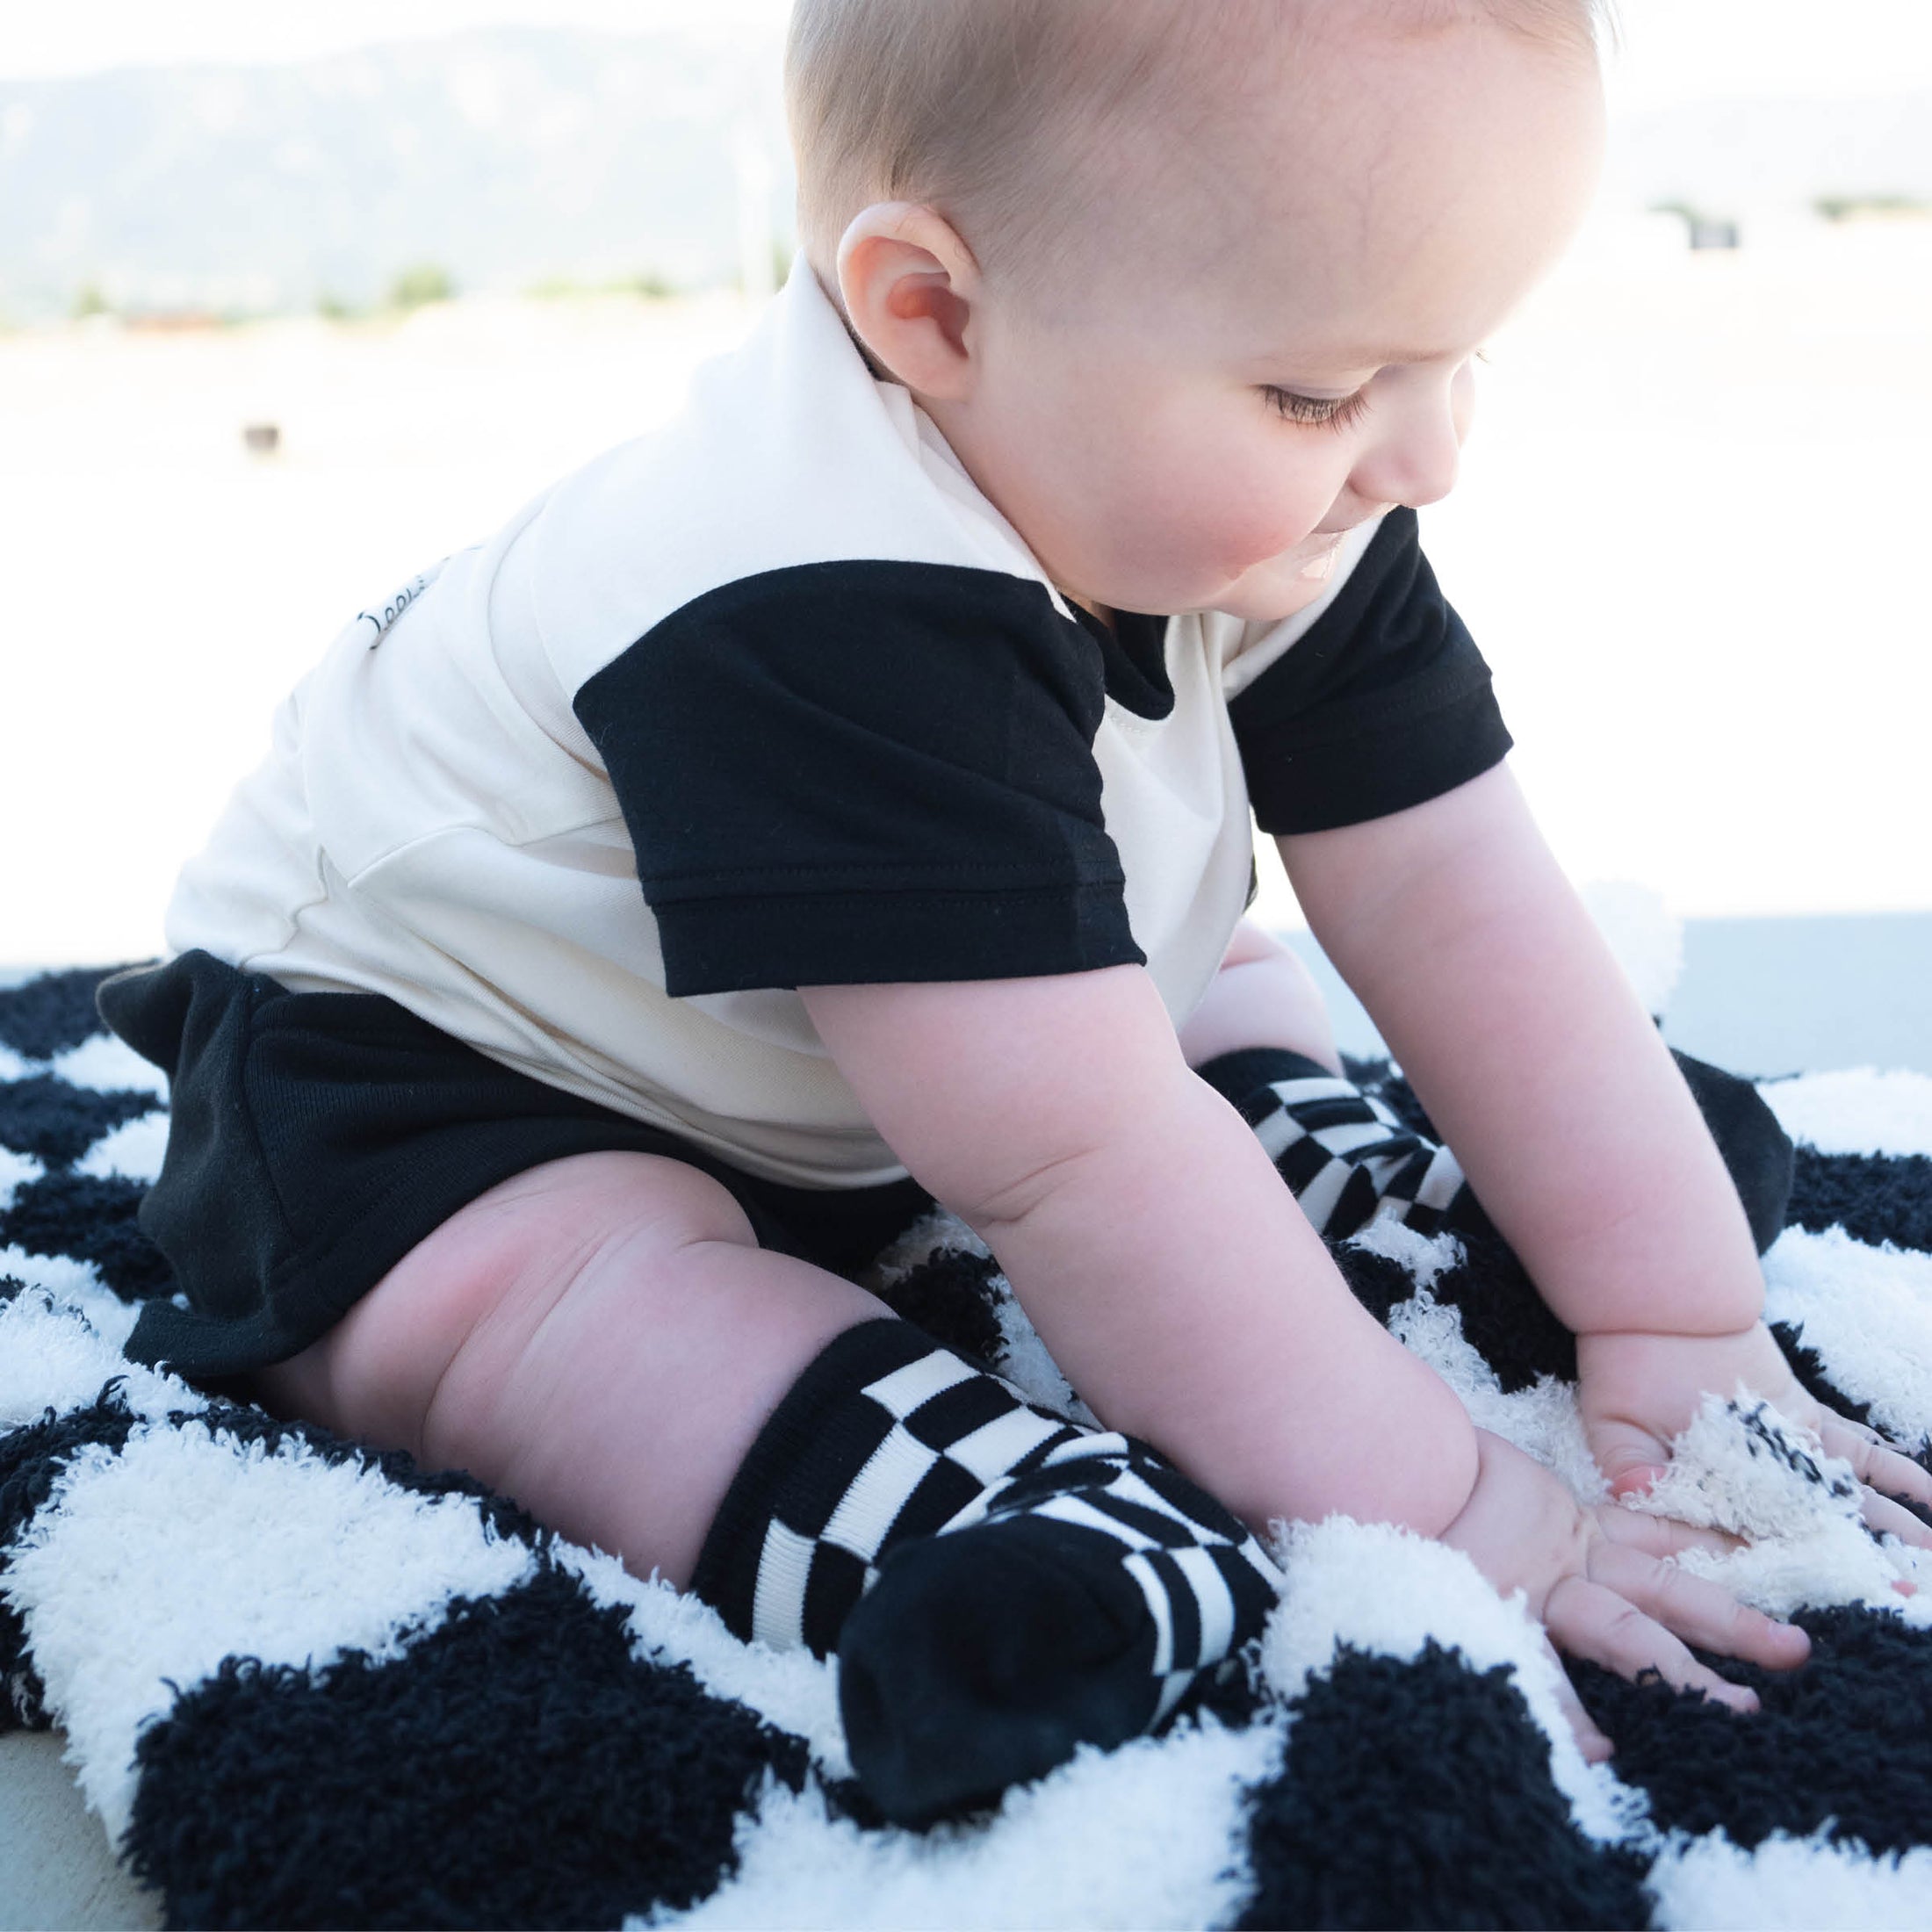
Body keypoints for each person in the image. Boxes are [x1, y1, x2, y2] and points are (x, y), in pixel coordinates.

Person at [97, 0, 1932, 1825]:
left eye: (1455, 362)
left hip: (898, 1037)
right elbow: (1072, 1156)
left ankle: (1309, 1144)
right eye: (1319, 389)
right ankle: (968, 1515)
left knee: (1183, 945)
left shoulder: (1249, 489)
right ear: (933, 311)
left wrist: (1672, 1305)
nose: (1421, 456)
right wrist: (1451, 1508)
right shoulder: (803, 592)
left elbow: (1449, 877)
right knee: (576, 1288)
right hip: (435, 1083)